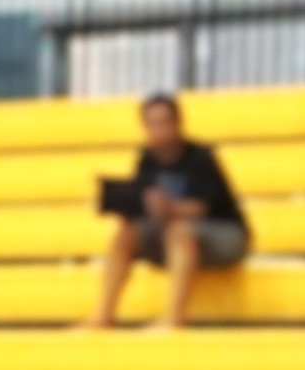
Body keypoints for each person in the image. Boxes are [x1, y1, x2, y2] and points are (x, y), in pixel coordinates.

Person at [86, 93, 249, 329]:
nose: (159, 130)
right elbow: (143, 202)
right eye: (152, 123)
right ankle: (103, 315)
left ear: (178, 123)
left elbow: (203, 208)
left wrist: (169, 208)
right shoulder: (147, 158)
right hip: (173, 235)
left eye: (164, 122)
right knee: (126, 232)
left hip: (225, 236)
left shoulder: (201, 157)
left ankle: (175, 316)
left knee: (179, 230)